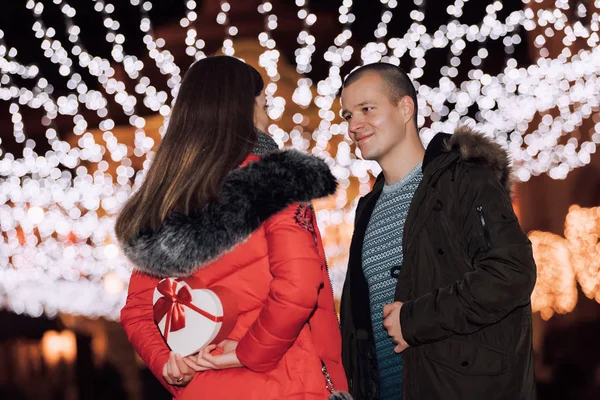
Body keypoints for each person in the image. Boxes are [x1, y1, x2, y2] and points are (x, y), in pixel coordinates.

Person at [116, 56, 349, 400]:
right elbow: (300, 287)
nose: (267, 117)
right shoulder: (278, 179)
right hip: (287, 382)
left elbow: (138, 310)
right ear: (244, 109)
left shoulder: (164, 198)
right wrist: (246, 353)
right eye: (263, 105)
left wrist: (167, 362)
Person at [338, 62, 537, 400]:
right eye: (347, 116)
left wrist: (415, 320)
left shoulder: (464, 181)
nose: (354, 125)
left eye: (366, 109)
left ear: (405, 108)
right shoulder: (366, 209)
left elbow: (512, 273)